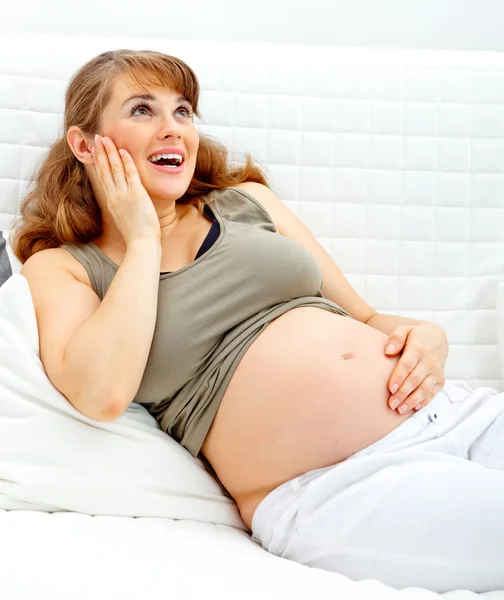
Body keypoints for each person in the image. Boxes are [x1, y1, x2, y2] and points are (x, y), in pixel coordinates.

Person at [10, 49, 504, 593]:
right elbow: (100, 393)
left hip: (453, 413)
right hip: (337, 487)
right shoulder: (63, 266)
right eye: (143, 110)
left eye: (183, 112)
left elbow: (365, 316)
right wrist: (144, 237)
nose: (173, 129)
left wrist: (430, 337)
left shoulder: (246, 202)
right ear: (85, 144)